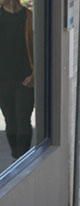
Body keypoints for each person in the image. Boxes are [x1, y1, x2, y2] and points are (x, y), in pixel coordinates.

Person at [0, 0, 33, 163]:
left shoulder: (28, 17)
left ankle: (23, 159)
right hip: (3, 80)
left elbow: (37, 47)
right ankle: (16, 155)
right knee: (10, 120)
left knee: (23, 119)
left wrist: (34, 74)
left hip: (25, 79)